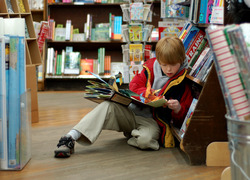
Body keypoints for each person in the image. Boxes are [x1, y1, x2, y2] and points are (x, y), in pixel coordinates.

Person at [54, 36, 194, 158]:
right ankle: (70, 137)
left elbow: (184, 118)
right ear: (158, 60)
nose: (168, 69)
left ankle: (133, 134)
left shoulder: (183, 82)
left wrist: (177, 109)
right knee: (107, 106)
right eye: (164, 65)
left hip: (152, 122)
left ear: (181, 60)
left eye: (173, 65)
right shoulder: (150, 68)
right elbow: (134, 86)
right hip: (132, 112)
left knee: (146, 141)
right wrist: (149, 95)